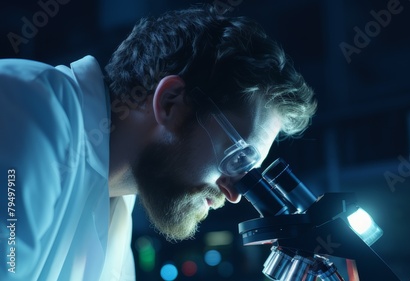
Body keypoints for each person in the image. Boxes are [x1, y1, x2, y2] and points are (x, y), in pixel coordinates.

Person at [0, 5, 316, 281]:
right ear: (170, 103)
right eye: (238, 159)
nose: (234, 195)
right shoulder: (27, 109)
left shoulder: (115, 203)